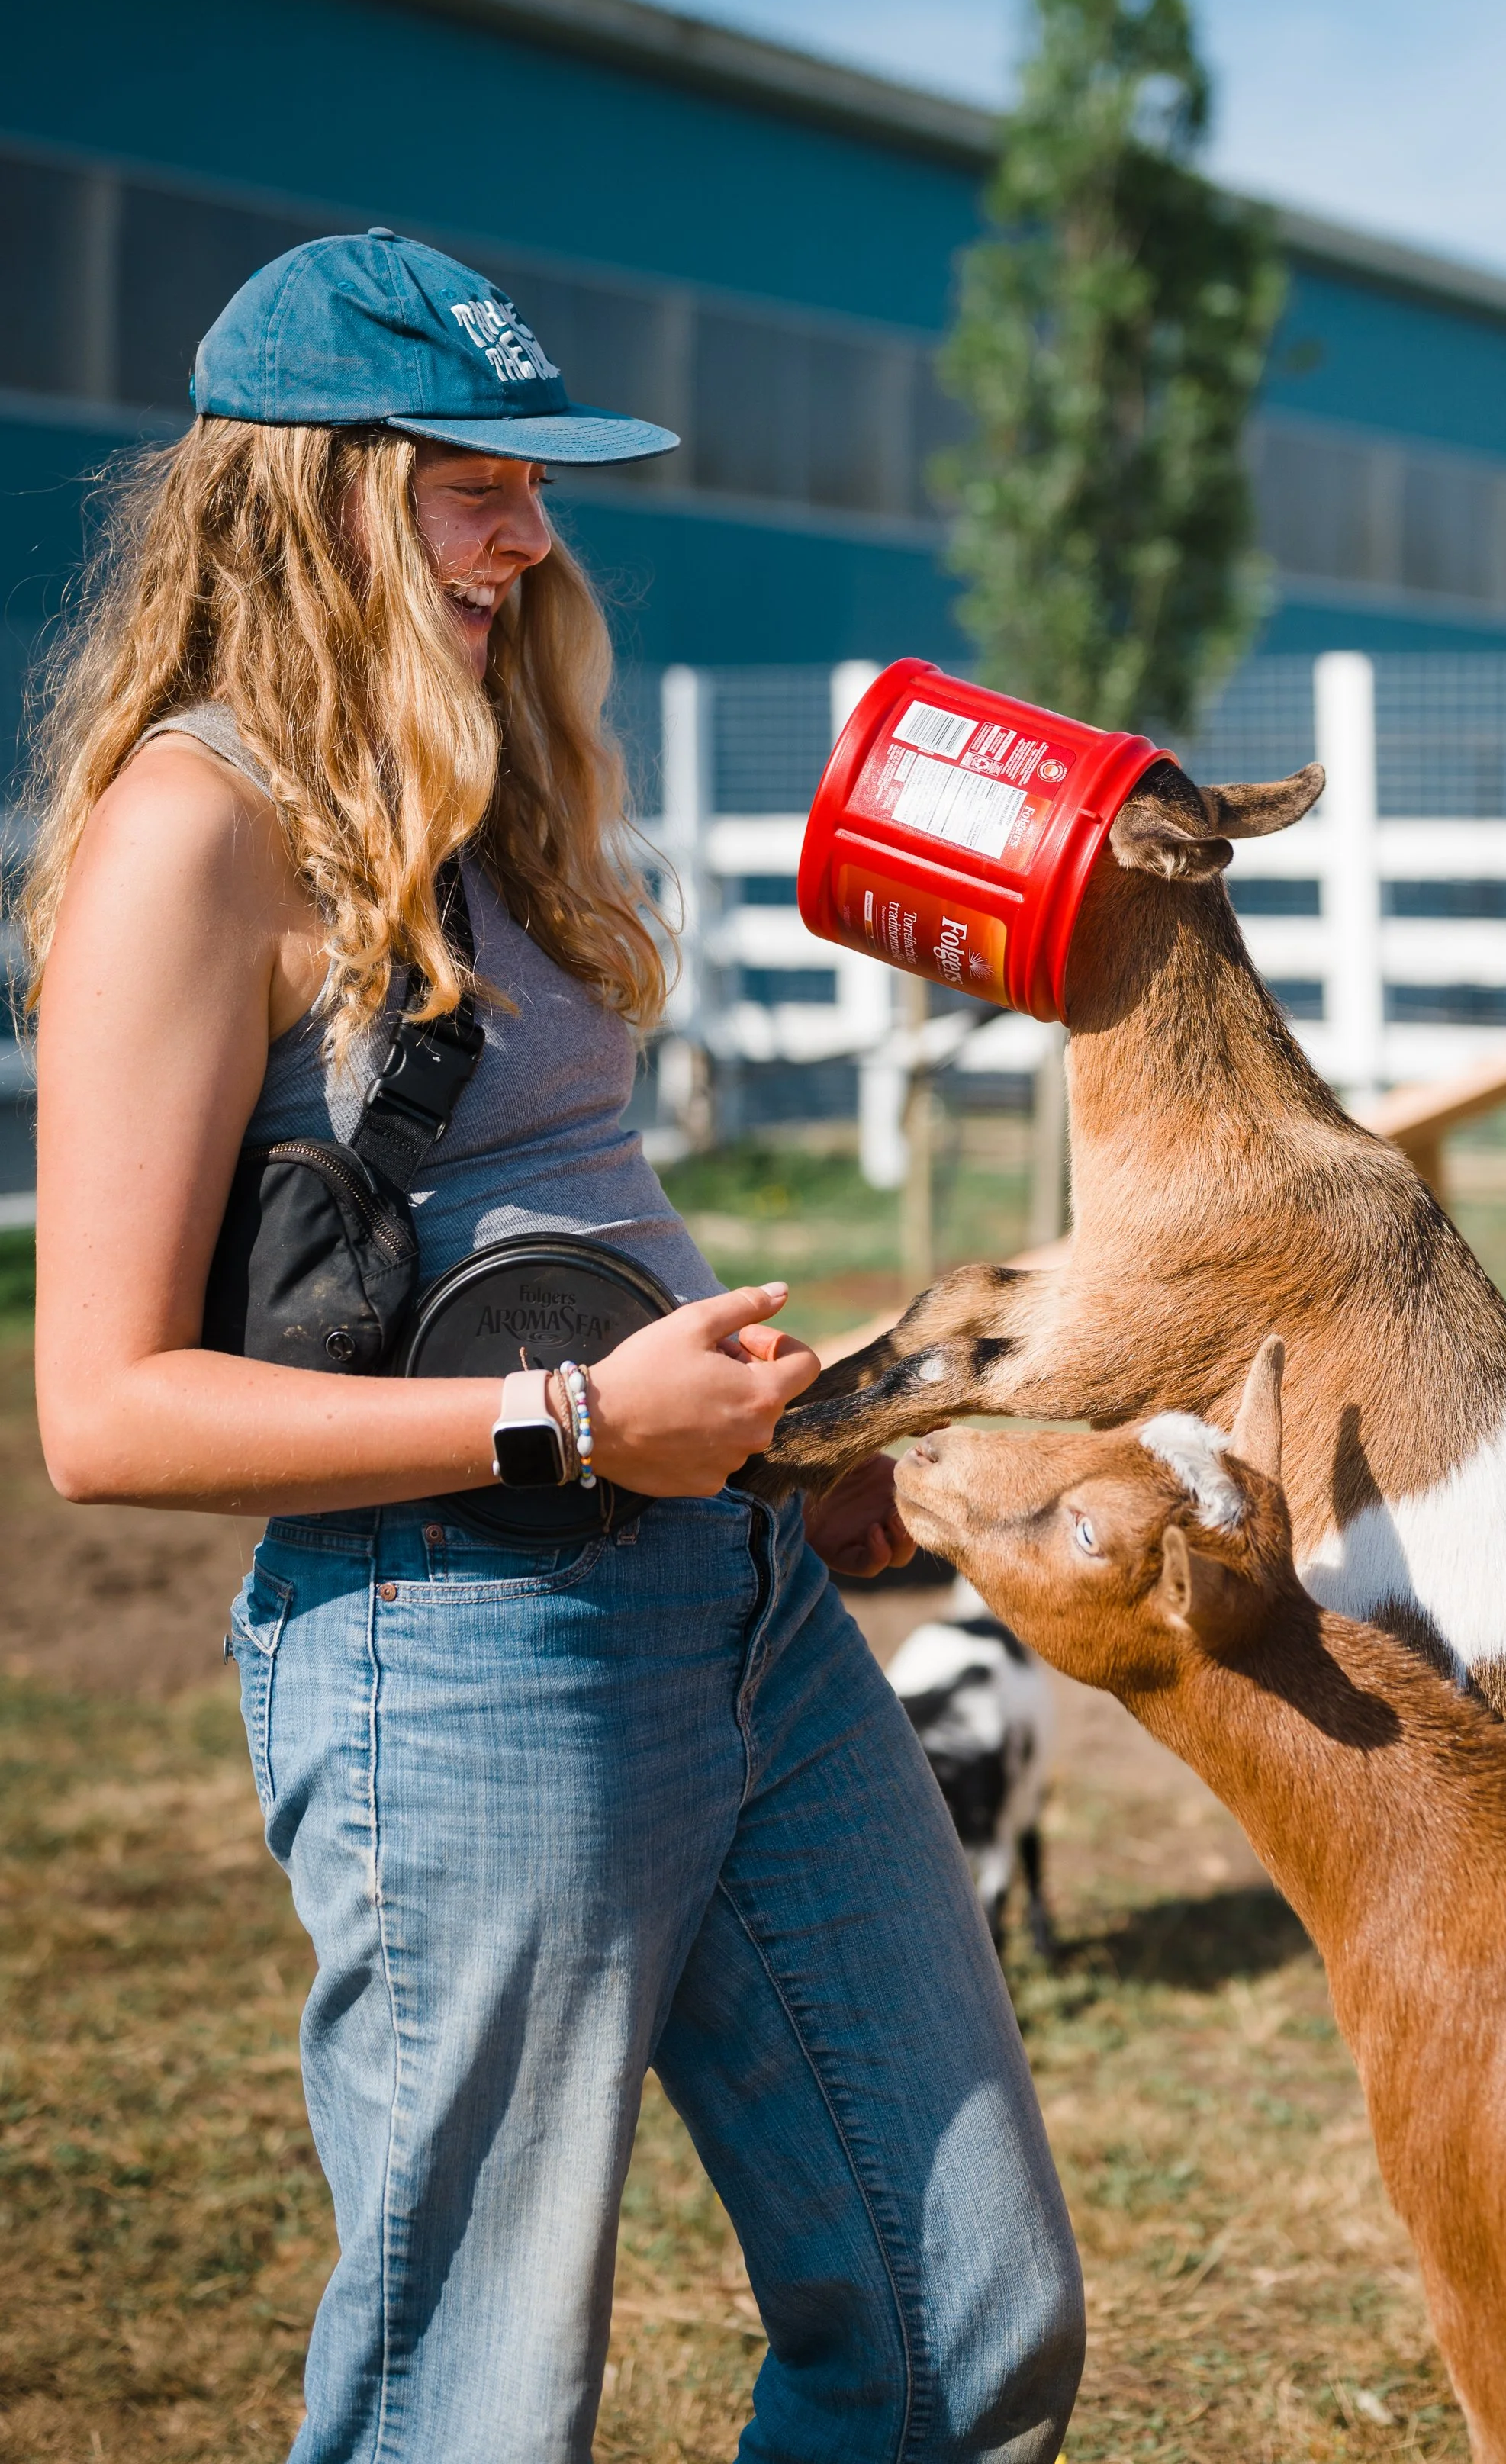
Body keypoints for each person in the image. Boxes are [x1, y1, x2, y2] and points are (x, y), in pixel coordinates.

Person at [22, 231, 1083, 2464]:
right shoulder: (188, 837)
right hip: (462, 1657)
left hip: (745, 1608)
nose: (532, 531)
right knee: (473, 2410)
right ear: (306, 490)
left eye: (537, 484)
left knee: (967, 2329)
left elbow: (560, 1192)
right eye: (476, 481)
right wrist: (593, 1420)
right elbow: (102, 1419)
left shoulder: (490, 775)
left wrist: (768, 1444)